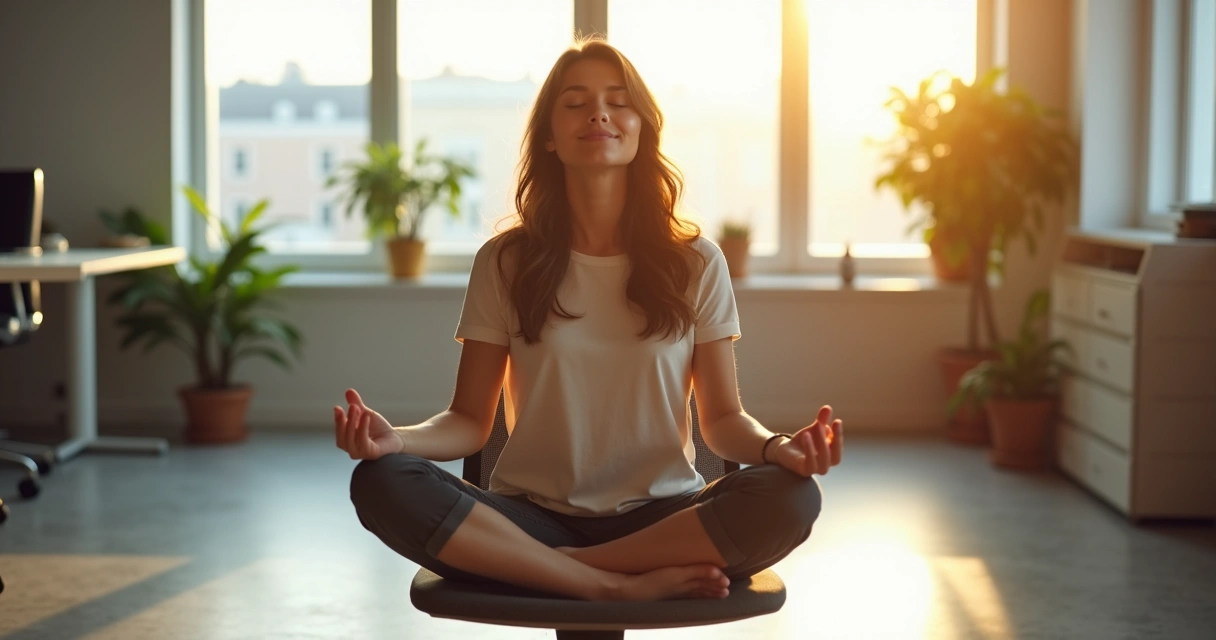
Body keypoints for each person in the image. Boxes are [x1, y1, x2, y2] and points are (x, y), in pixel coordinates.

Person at [338, 38, 843, 603]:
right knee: (382, 480)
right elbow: (468, 421)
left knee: (793, 497)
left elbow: (723, 421)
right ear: (550, 136)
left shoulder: (697, 262)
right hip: (530, 516)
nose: (599, 113)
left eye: (618, 100)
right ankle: (608, 586)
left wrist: (777, 447)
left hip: (663, 518)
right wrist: (396, 440)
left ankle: (561, 571)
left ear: (641, 129)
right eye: (575, 102)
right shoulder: (505, 262)